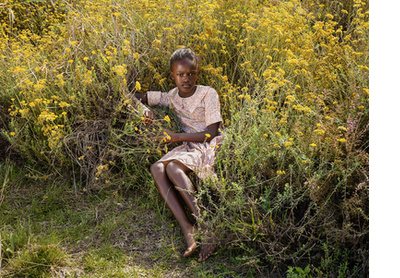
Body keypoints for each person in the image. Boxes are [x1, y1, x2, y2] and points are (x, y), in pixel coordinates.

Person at [134, 47, 223, 262]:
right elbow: (135, 96)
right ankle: (187, 228)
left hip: (208, 143)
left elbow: (212, 132)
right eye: (181, 74)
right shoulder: (170, 97)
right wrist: (141, 108)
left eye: (191, 73)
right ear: (172, 76)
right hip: (187, 145)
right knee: (156, 167)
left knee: (172, 167)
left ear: (197, 74)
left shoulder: (207, 93)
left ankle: (205, 223)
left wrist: (175, 137)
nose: (186, 79)